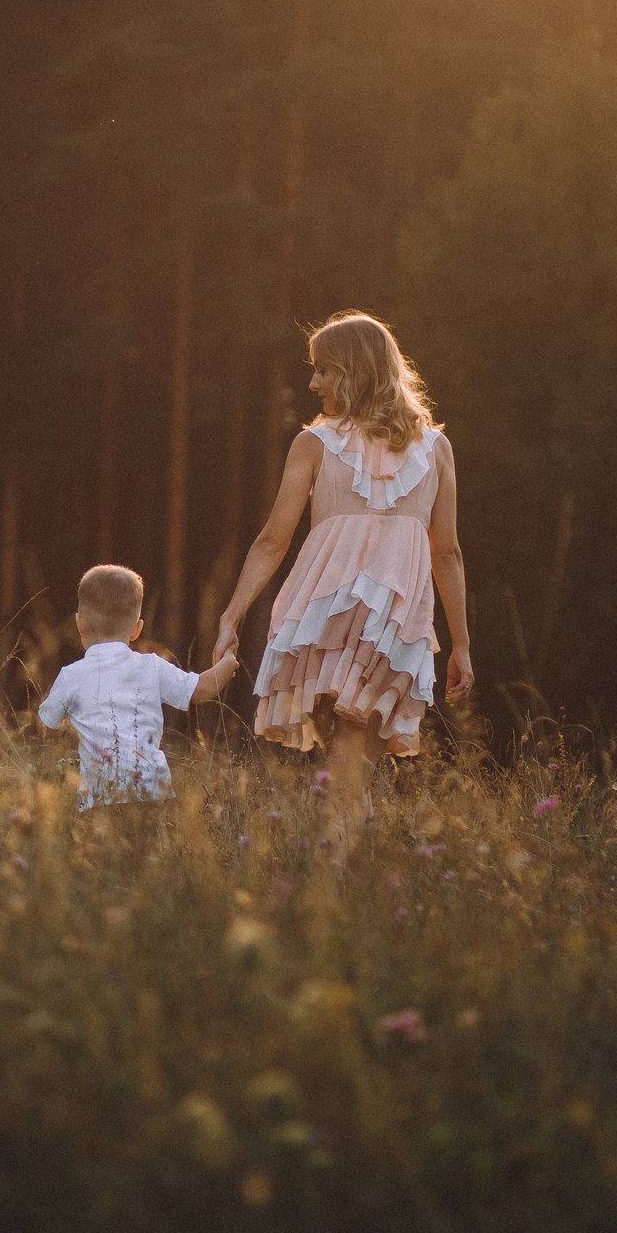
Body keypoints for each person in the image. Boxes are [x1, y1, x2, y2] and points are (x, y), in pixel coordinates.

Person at [215, 311, 472, 847]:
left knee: (348, 764)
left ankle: (339, 871)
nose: (313, 384)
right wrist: (461, 644)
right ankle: (352, 866)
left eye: (324, 371)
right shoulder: (422, 447)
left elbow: (274, 542)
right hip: (366, 625)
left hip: (345, 622)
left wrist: (231, 614)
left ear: (356, 372)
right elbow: (444, 553)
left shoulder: (327, 444)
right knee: (353, 763)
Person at [36, 564, 239, 811]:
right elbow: (203, 689)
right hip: (154, 795)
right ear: (137, 629)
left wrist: (62, 726)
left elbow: (46, 728)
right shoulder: (152, 666)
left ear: (80, 624)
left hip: (99, 802)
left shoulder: (70, 675)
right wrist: (229, 662)